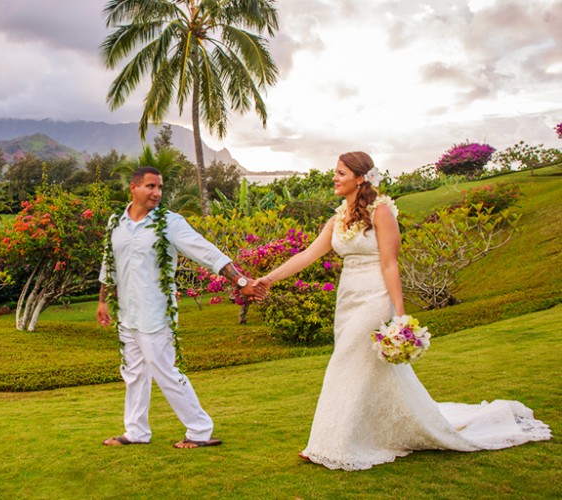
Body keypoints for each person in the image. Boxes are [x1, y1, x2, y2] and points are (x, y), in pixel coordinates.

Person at [256, 151, 551, 470]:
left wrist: (399, 312)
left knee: (344, 363)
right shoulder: (336, 219)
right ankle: (383, 429)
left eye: (340, 173)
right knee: (370, 369)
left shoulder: (381, 212)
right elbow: (307, 255)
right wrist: (267, 279)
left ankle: (331, 444)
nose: (334, 178)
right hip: (348, 300)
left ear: (360, 178)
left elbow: (389, 262)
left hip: (374, 296)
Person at [97, 166, 266, 449]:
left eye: (160, 187)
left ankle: (199, 431)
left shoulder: (169, 223)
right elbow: (109, 264)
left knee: (165, 372)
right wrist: (103, 300)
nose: (157, 193)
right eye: (151, 186)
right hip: (127, 313)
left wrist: (240, 280)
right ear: (134, 188)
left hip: (156, 313)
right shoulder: (116, 222)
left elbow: (205, 251)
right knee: (133, 373)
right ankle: (136, 432)